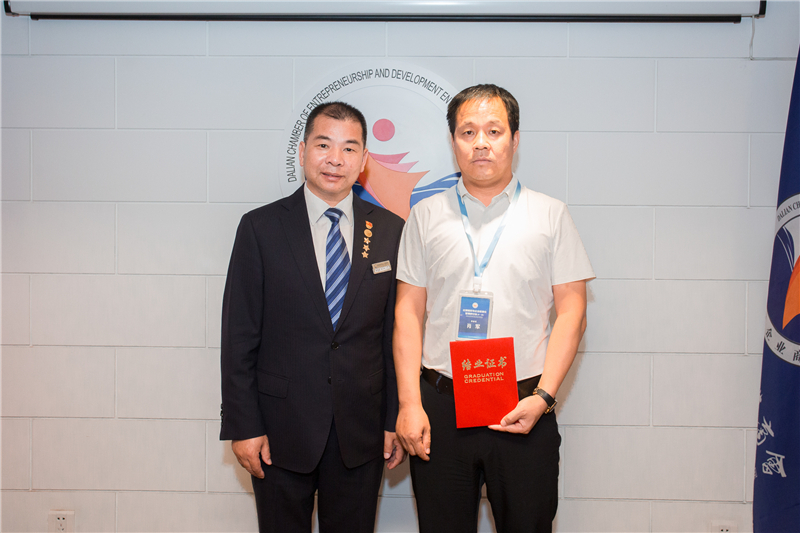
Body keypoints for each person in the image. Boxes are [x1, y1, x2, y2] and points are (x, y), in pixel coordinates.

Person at [393, 84, 594, 532]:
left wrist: (544, 397)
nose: (480, 143)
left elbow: (573, 313)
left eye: (494, 131)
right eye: (468, 132)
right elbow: (407, 313)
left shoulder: (551, 215)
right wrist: (409, 403)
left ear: (515, 140)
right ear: (453, 142)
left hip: (524, 406)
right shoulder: (425, 215)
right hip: (441, 408)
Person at [220, 101, 406, 533]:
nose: (335, 159)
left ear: (364, 160)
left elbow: (393, 336)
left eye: (349, 148)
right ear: (303, 150)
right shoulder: (261, 228)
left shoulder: (391, 230)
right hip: (279, 431)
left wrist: (392, 419)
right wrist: (243, 425)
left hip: (360, 432)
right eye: (324, 145)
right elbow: (239, 337)